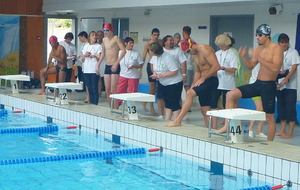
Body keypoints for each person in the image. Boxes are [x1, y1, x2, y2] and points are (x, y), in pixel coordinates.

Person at [217, 24, 283, 141]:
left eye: (260, 35)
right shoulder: (260, 48)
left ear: (267, 36)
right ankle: (227, 126)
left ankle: (270, 143)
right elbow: (251, 66)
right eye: (256, 35)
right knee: (230, 95)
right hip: (257, 83)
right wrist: (243, 58)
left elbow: (275, 68)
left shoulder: (276, 48)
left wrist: (259, 57)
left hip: (269, 86)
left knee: (269, 117)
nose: (257, 37)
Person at [165, 43, 220, 127]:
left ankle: (178, 120)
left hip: (211, 80)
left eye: (189, 51)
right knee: (204, 110)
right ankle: (211, 130)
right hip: (203, 80)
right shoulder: (194, 54)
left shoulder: (205, 50)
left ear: (192, 46)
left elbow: (216, 66)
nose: (189, 53)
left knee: (190, 93)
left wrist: (203, 78)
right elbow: (198, 71)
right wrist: (194, 84)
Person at [149, 42, 183, 120]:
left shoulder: (168, 58)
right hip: (163, 82)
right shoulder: (154, 57)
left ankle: (176, 121)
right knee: (167, 102)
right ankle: (167, 120)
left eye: (150, 50)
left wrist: (161, 75)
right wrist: (155, 74)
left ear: (154, 51)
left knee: (174, 103)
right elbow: (154, 68)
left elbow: (175, 71)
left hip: (174, 83)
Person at [275, 33, 300, 139]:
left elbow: (294, 68)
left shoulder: (293, 52)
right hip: (279, 84)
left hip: (290, 85)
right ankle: (283, 129)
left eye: (286, 42)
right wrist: (276, 82)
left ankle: (290, 132)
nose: (284, 44)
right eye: (282, 42)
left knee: (290, 108)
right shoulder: (276, 52)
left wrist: (286, 78)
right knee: (281, 107)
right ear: (279, 43)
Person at [96, 23, 126, 108]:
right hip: (107, 66)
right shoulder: (104, 40)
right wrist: (98, 65)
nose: (105, 32)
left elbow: (123, 51)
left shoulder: (116, 38)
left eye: (107, 30)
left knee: (113, 90)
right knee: (107, 90)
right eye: (104, 30)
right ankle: (111, 108)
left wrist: (116, 63)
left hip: (114, 65)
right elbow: (103, 53)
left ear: (111, 30)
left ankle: (116, 108)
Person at [211, 34, 237, 129]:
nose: (220, 47)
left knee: (227, 105)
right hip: (217, 82)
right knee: (213, 103)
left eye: (222, 45)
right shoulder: (217, 53)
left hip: (228, 82)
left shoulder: (232, 54)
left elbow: (234, 69)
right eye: (219, 45)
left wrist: (223, 68)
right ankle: (214, 125)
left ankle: (227, 126)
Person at [159, 35, 187, 119]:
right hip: (163, 80)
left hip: (175, 80)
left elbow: (183, 63)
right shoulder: (161, 51)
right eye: (170, 40)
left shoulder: (178, 51)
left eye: (172, 40)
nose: (172, 42)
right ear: (165, 42)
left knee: (175, 100)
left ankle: (177, 119)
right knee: (166, 100)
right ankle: (166, 119)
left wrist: (184, 74)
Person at [116, 37, 143, 108]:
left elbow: (141, 64)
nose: (132, 45)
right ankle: (117, 107)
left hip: (133, 76)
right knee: (120, 91)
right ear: (125, 43)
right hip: (123, 75)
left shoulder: (136, 53)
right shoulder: (120, 52)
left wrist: (134, 66)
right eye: (130, 43)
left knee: (132, 93)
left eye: (132, 43)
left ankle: (131, 109)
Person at [142, 28, 162, 115]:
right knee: (153, 88)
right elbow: (143, 56)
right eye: (154, 35)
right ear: (151, 35)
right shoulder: (148, 44)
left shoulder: (161, 43)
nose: (156, 37)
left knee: (159, 88)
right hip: (150, 66)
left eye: (157, 35)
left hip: (159, 66)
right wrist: (140, 69)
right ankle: (152, 109)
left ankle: (145, 101)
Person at [82, 31, 102, 105]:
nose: (94, 37)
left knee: (94, 88)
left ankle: (95, 103)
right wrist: (85, 55)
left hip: (94, 69)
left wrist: (94, 56)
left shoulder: (98, 46)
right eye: (92, 35)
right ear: (89, 37)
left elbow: (99, 59)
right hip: (86, 69)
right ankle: (91, 101)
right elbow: (82, 59)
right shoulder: (86, 46)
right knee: (89, 87)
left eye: (95, 35)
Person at [248, 64, 267, 138]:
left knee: (264, 109)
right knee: (260, 108)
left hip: (264, 86)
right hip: (254, 86)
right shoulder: (257, 60)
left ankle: (259, 131)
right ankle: (250, 129)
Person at [181, 26, 196, 111]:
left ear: (184, 32)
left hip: (187, 66)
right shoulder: (193, 41)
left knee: (187, 87)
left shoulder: (185, 42)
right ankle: (187, 105)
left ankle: (188, 106)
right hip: (189, 66)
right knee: (187, 86)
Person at [76, 31, 90, 103]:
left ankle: (90, 98)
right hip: (83, 66)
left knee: (89, 83)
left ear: (83, 36)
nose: (79, 39)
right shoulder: (83, 44)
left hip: (88, 66)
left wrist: (81, 57)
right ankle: (88, 97)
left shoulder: (88, 45)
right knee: (86, 83)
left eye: (80, 37)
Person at [97, 30, 106, 98]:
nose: (100, 37)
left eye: (101, 35)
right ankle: (99, 93)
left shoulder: (105, 44)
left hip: (104, 62)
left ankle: (106, 93)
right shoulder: (96, 44)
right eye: (98, 35)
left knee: (105, 78)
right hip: (97, 62)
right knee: (99, 78)